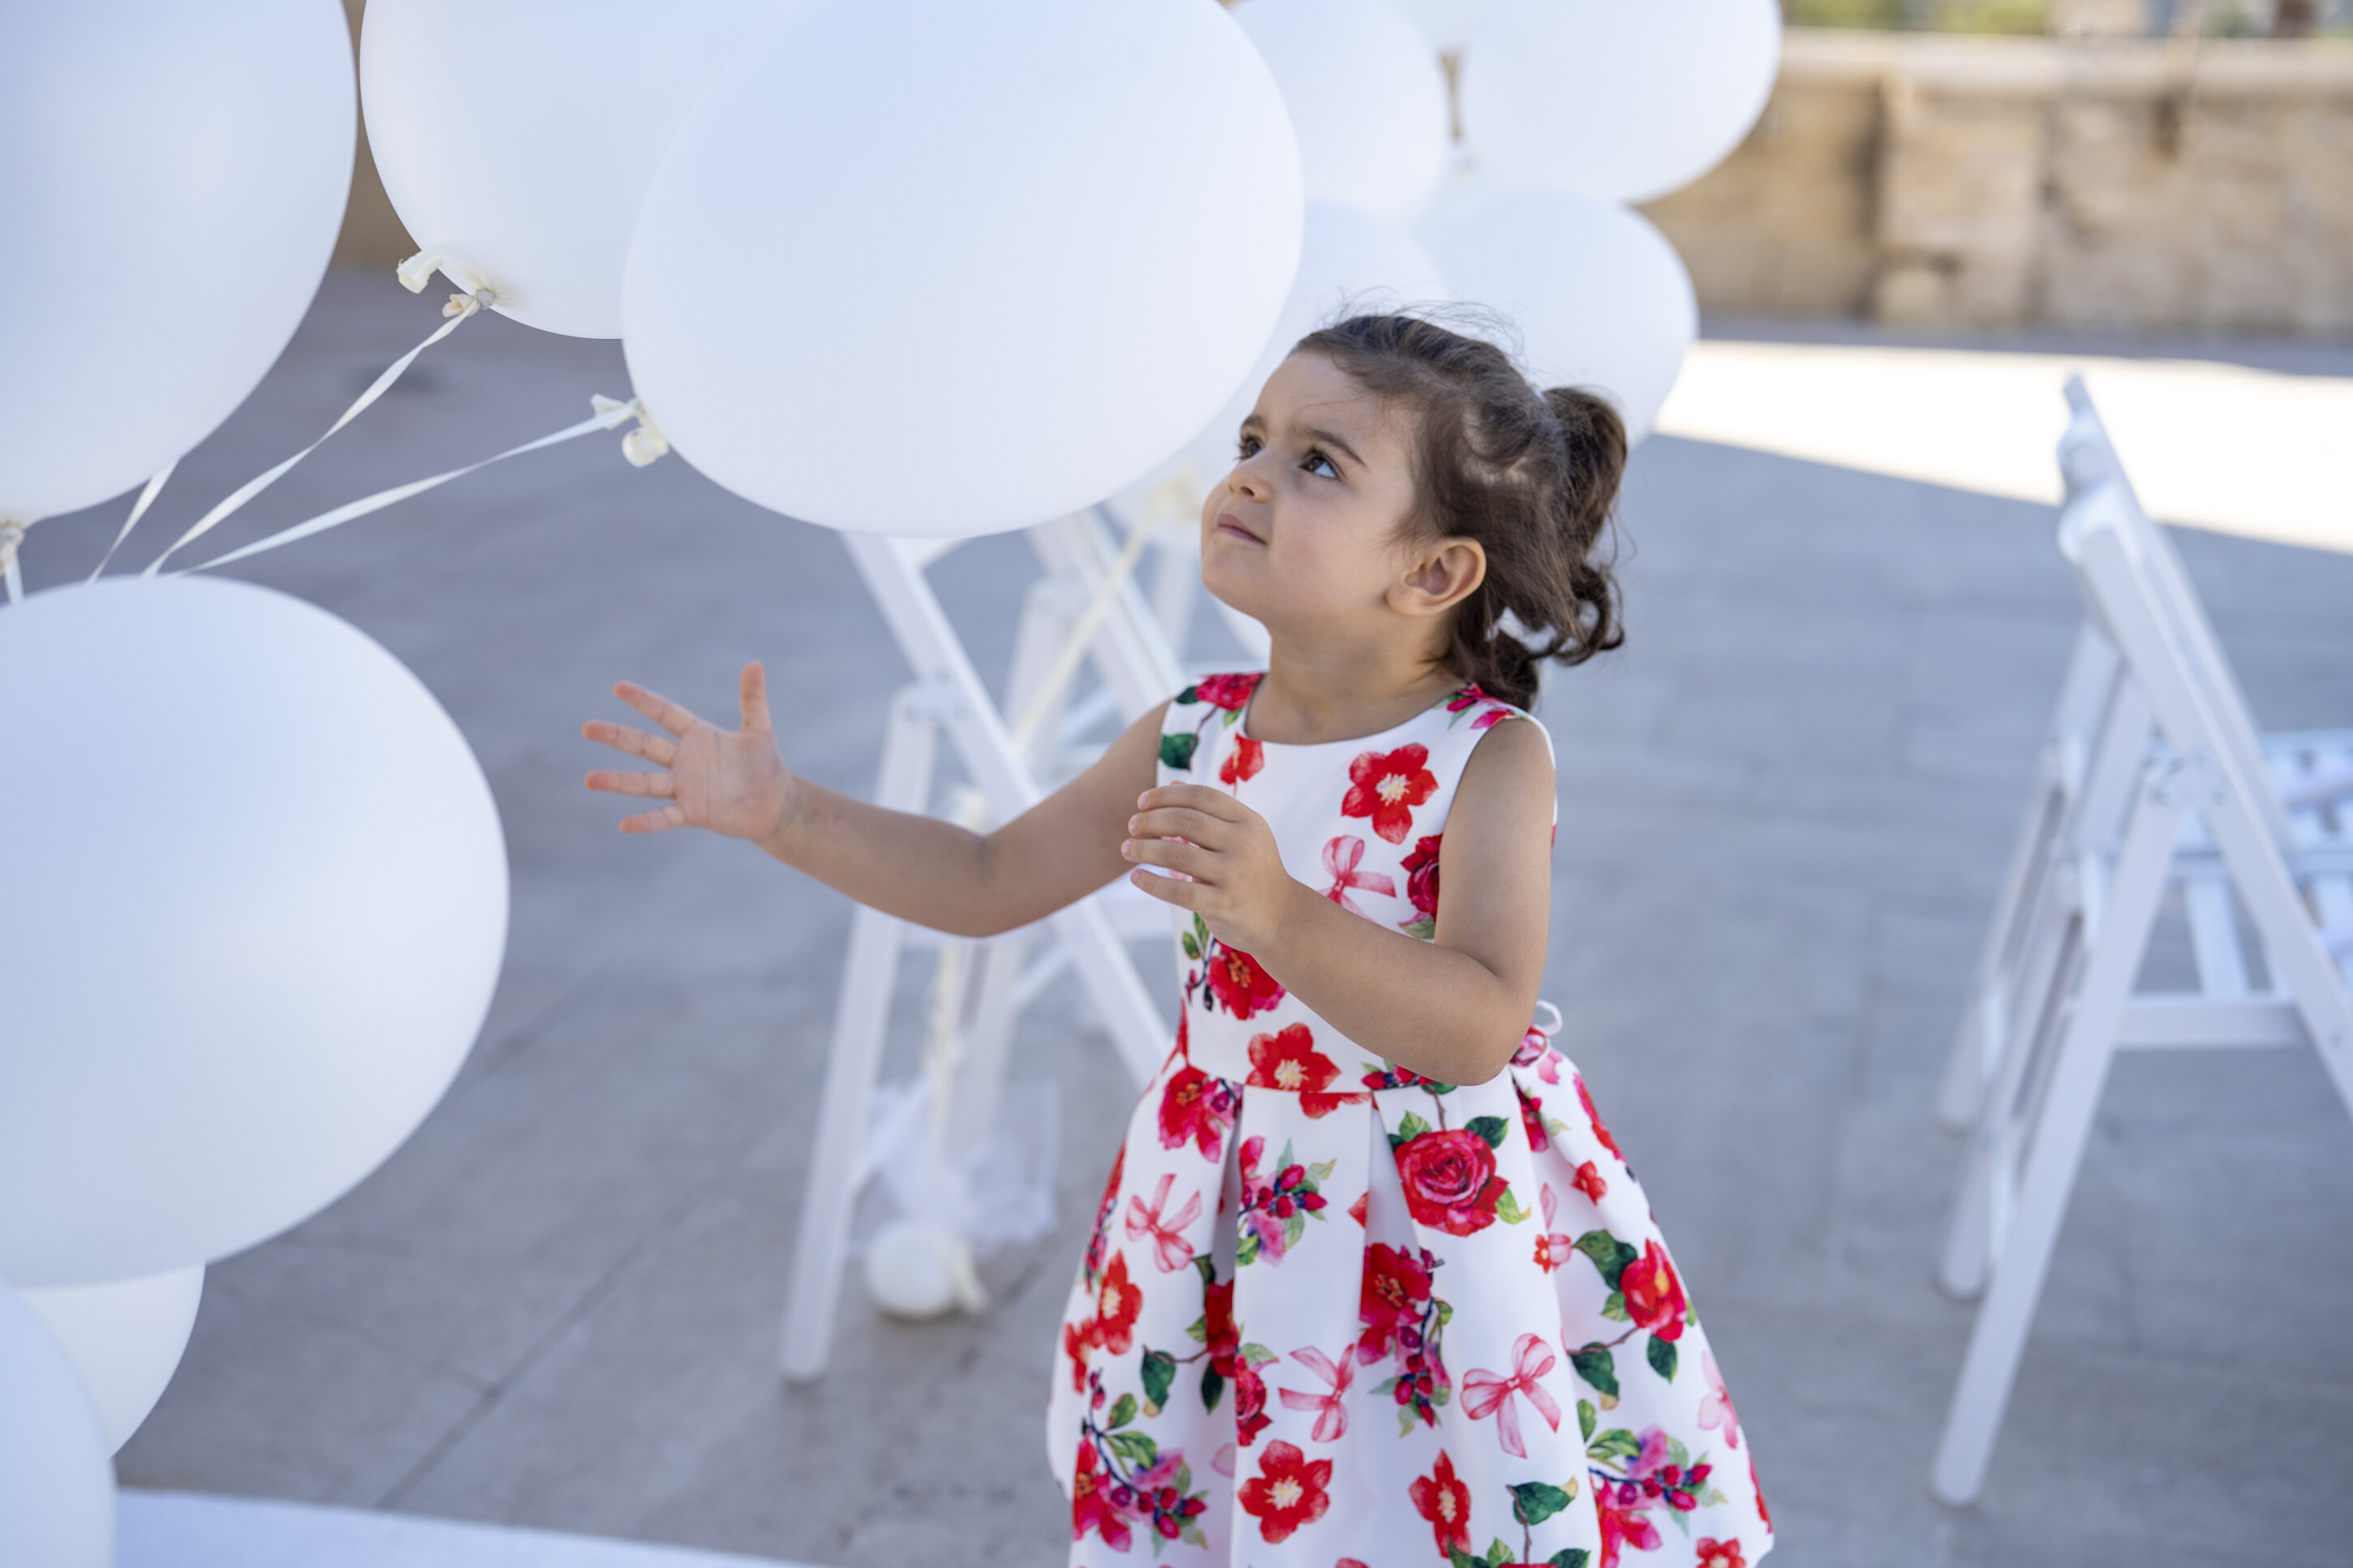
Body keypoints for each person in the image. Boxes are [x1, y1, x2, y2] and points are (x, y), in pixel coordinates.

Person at [583, 314, 1770, 1568]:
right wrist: (785, 810)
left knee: (1420, 1497)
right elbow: (990, 877)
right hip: (1228, 1201)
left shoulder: (1485, 757)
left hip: (1426, 1223)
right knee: (1242, 1499)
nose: (1250, 472)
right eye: (1256, 437)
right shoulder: (1193, 730)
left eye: (1319, 462)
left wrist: (1280, 913)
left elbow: (1478, 1023)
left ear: (1432, 573)